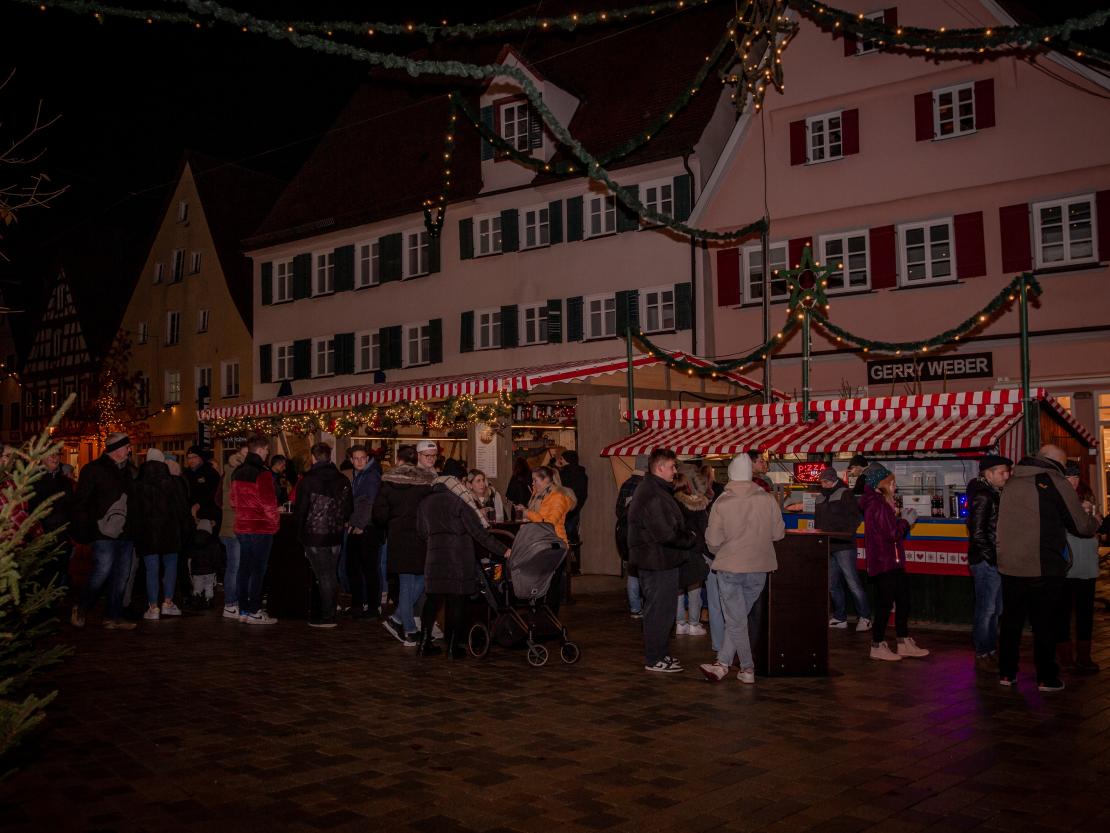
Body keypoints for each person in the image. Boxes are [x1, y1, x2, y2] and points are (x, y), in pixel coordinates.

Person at [996, 445, 1099, 691]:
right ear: (1058, 464)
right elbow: (1079, 525)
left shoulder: (1011, 480)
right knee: (1045, 623)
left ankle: (1007, 673)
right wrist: (1095, 521)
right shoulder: (1054, 480)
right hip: (1043, 564)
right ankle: (1047, 677)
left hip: (1010, 564)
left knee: (1011, 622)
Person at [700, 453, 785, 684]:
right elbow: (778, 534)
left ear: (730, 474)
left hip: (730, 567)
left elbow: (713, 541)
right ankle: (722, 665)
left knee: (735, 620)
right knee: (738, 618)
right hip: (760, 568)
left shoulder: (722, 502)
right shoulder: (768, 500)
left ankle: (747, 668)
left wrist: (723, 553)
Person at [418, 475, 509, 658]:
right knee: (457, 601)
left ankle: (423, 643)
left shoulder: (425, 503)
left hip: (434, 557)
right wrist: (504, 550)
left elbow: (421, 532)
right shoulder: (459, 503)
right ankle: (453, 647)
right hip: (458, 557)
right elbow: (478, 533)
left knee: (432, 601)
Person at [628, 448, 698, 674]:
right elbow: (665, 533)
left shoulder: (653, 489)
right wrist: (690, 538)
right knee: (659, 612)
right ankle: (654, 658)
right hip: (657, 561)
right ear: (660, 468)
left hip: (658, 560)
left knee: (663, 611)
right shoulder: (653, 494)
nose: (675, 471)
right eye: (672, 466)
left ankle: (660, 654)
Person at [858, 463, 928, 662]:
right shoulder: (878, 505)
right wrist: (906, 522)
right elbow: (891, 535)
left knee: (903, 601)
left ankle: (903, 641)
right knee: (884, 604)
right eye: (892, 483)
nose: (895, 486)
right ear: (882, 484)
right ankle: (877, 644)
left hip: (891, 561)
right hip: (885, 562)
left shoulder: (881, 504)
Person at [71, 433, 137, 631]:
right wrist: (85, 529)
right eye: (127, 447)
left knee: (122, 575)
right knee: (102, 570)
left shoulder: (131, 471)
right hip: (102, 531)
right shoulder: (93, 470)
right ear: (117, 450)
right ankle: (81, 606)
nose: (130, 450)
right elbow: (81, 502)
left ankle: (113, 616)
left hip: (126, 531)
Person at [374, 442, 436, 646]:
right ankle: (404, 624)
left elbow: (379, 515)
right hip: (420, 536)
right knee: (420, 579)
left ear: (399, 460)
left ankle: (402, 623)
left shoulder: (388, 482)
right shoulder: (427, 484)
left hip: (399, 536)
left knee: (407, 582)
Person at [294, 442, 353, 629]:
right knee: (330, 573)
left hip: (314, 534)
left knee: (323, 575)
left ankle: (328, 615)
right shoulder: (342, 480)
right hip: (335, 533)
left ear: (313, 457)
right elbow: (349, 508)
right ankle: (329, 609)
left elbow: (301, 510)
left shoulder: (308, 480)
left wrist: (300, 532)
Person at [132, 447, 193, 620]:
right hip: (170, 531)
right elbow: (182, 509)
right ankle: (167, 602)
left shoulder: (138, 484)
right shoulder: (173, 482)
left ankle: (153, 607)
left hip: (147, 533)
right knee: (171, 566)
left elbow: (134, 512)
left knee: (152, 568)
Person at [1056, 461, 1104, 675]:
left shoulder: (1087, 496)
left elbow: (1095, 524)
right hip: (1065, 565)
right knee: (1063, 613)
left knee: (1085, 613)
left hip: (1087, 564)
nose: (1073, 481)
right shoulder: (1056, 498)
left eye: (1076, 477)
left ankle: (1084, 656)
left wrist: (1097, 521)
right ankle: (1065, 656)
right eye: (1069, 477)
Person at [966, 454, 1012, 672]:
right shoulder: (984, 496)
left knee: (995, 608)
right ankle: (983, 651)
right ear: (989, 473)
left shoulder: (992, 493)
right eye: (1002, 471)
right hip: (986, 561)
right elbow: (977, 532)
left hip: (992, 559)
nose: (1007, 475)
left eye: (1007, 471)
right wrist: (992, 557)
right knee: (987, 608)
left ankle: (989, 649)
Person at [230, 435, 281, 625]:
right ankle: (255, 610)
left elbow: (233, 501)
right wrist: (274, 524)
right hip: (260, 527)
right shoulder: (263, 473)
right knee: (258, 570)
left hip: (243, 526)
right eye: (267, 450)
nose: (268, 453)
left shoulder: (238, 472)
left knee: (244, 569)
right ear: (260, 450)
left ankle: (243, 609)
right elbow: (269, 503)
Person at [813, 467, 870, 632]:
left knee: (853, 582)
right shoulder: (819, 498)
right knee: (833, 584)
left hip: (844, 545)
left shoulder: (845, 494)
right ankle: (840, 617)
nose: (824, 484)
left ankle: (865, 617)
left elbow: (855, 518)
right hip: (829, 544)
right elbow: (818, 522)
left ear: (834, 479)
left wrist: (845, 533)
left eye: (826, 481)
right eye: (822, 482)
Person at [29, 448, 75, 588]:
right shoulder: (33, 481)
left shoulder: (65, 482)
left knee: (61, 569)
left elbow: (71, 506)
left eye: (57, 455)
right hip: (42, 534)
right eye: (51, 455)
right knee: (44, 572)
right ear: (42, 458)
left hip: (63, 533)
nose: (55, 458)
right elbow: (30, 509)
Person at [346, 444, 382, 620]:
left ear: (367, 459)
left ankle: (372, 607)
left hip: (367, 528)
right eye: (356, 458)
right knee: (355, 568)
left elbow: (370, 503)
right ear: (351, 460)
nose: (359, 461)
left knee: (368, 569)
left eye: (362, 458)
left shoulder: (371, 476)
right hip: (358, 526)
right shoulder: (360, 475)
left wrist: (360, 525)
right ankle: (359, 604)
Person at [673, 469, 709, 638]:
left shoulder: (671, 504)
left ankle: (680, 623)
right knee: (695, 589)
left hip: (677, 551)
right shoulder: (699, 505)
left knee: (678, 589)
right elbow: (704, 530)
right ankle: (694, 623)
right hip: (695, 551)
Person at [220, 441, 249, 619]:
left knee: (239, 566)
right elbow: (231, 500)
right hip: (232, 527)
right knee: (234, 566)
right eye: (245, 453)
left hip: (237, 525)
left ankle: (236, 601)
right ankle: (230, 603)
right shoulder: (233, 472)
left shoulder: (238, 471)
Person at [616, 456, 647, 619]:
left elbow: (618, 510)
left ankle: (635, 607)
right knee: (643, 571)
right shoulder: (646, 486)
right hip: (641, 534)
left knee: (632, 571)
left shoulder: (626, 484)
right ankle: (644, 604)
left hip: (626, 534)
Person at [520, 466, 576, 546]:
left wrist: (527, 513)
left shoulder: (558, 497)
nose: (532, 483)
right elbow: (539, 516)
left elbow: (549, 524)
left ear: (545, 480)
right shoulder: (540, 495)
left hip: (555, 543)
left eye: (535, 480)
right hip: (541, 540)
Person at [184, 445, 222, 533]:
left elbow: (214, 494)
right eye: (189, 458)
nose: (191, 460)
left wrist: (199, 504)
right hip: (189, 515)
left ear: (200, 457)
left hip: (207, 515)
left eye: (194, 457)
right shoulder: (185, 474)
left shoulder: (210, 473)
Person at [557, 450, 589, 546]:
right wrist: (577, 506)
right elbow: (583, 494)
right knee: (571, 533)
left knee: (562, 535)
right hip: (575, 509)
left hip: (562, 509)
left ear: (567, 460)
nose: (560, 461)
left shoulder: (562, 474)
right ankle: (573, 556)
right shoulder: (582, 474)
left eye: (562, 459)